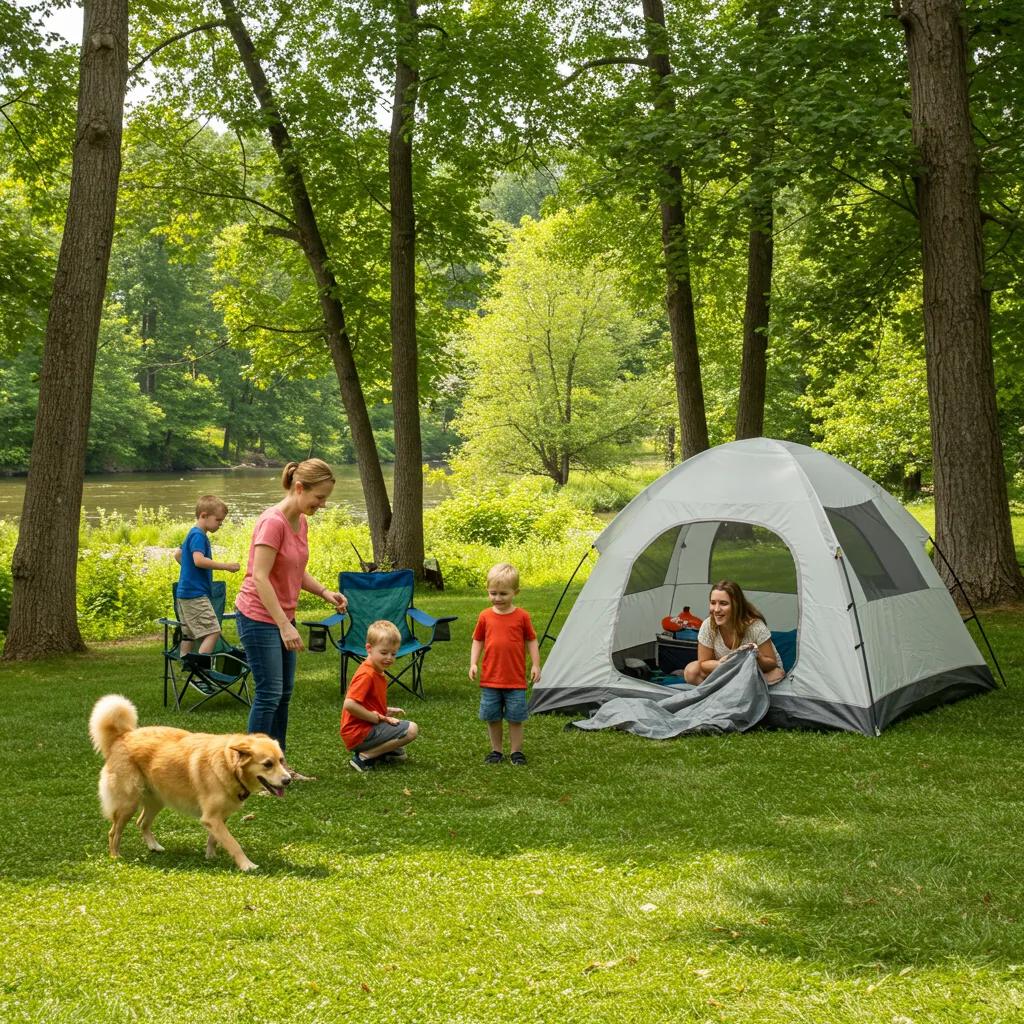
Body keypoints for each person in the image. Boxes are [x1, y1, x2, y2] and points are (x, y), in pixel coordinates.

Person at [234, 459, 347, 775]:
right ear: (299, 488)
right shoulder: (273, 522)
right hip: (258, 617)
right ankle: (250, 772)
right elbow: (260, 576)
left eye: (325, 499)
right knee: (269, 693)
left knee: (282, 695)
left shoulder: (301, 521)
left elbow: (294, 570)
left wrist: (325, 592)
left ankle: (278, 769)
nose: (322, 505)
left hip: (282, 617)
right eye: (319, 497)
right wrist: (284, 625)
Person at [469, 563, 541, 766]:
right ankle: (496, 751)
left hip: (515, 680)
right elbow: (478, 640)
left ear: (515, 592)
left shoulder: (522, 616)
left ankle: (516, 752)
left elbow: (531, 640)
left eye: (503, 594)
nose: (497, 598)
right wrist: (473, 663)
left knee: (515, 718)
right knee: (492, 717)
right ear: (487, 591)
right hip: (491, 680)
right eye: (493, 593)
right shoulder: (485, 616)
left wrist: (536, 665)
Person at [341, 620, 419, 772]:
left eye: (393, 653)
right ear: (369, 648)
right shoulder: (367, 674)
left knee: (400, 752)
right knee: (411, 730)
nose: (389, 658)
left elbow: (366, 703)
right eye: (384, 653)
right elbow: (349, 705)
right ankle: (364, 756)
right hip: (357, 733)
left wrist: (385, 710)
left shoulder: (376, 670)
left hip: (364, 728)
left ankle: (386, 750)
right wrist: (377, 718)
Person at [679, 579, 785, 686]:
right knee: (690, 671)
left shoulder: (755, 626)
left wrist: (756, 657)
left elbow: (772, 663)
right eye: (713, 603)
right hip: (724, 670)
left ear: (736, 605)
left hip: (754, 670)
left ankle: (727, 687)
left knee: (777, 674)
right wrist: (722, 663)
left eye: (723, 604)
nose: (716, 609)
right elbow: (703, 663)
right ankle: (735, 686)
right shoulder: (708, 625)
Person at [174, 495, 240, 659]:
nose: (220, 524)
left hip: (184, 594)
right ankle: (199, 666)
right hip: (195, 594)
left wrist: (190, 570)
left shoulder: (192, 532)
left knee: (188, 634)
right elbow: (198, 560)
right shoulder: (199, 535)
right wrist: (226, 566)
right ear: (203, 515)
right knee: (213, 631)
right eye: (218, 520)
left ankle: (186, 665)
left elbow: (178, 554)